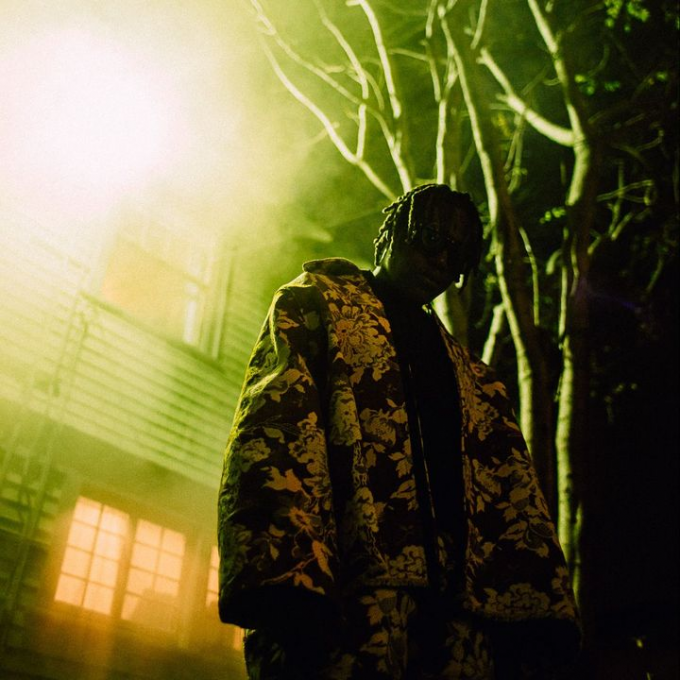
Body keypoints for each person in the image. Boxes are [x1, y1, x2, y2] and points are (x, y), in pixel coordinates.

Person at [217, 184, 580, 679]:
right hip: (349, 593)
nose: (440, 256)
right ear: (390, 234)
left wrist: (535, 615)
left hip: (457, 617)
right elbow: (273, 431)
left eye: (458, 252)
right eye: (430, 235)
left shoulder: (475, 376)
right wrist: (285, 576)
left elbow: (514, 492)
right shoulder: (317, 305)